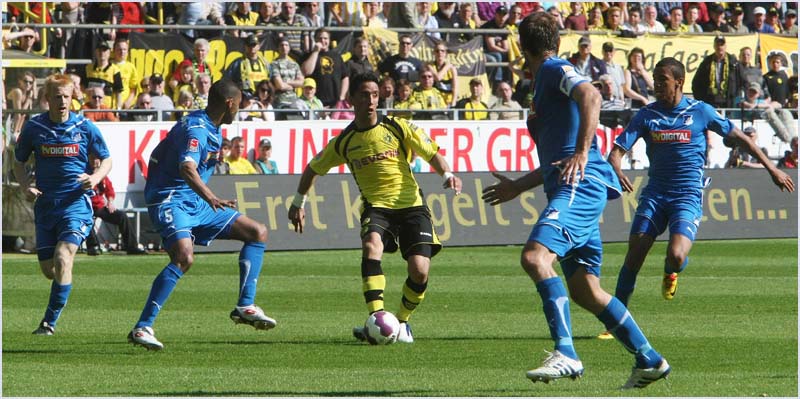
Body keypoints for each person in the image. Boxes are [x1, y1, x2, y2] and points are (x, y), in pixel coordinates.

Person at [480, 12, 670, 389]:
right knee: (585, 290)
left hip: (579, 188)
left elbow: (592, 94)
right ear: (559, 40)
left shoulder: (552, 69)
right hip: (571, 186)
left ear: (521, 46)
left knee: (535, 257)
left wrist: (583, 152)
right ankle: (649, 359)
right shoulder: (542, 83)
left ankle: (566, 352)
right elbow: (557, 158)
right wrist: (519, 186)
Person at [603, 58, 793, 341]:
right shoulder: (646, 115)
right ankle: (614, 323)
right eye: (654, 79)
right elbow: (616, 152)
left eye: (662, 80)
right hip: (655, 193)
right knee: (635, 254)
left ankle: (671, 271)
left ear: (678, 82)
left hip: (687, 194)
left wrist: (772, 168)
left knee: (677, 255)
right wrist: (616, 170)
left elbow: (742, 138)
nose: (656, 84)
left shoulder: (700, 111)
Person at [288, 71, 462, 344]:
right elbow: (312, 169)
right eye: (364, 95)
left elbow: (431, 152)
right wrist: (298, 202)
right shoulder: (345, 141)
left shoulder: (397, 126)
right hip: (376, 207)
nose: (370, 100)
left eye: (374, 94)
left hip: (411, 205)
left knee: (420, 270)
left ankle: (402, 322)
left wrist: (447, 175)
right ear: (352, 99)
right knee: (371, 245)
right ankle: (376, 319)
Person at [128, 79, 276, 351]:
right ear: (230, 103)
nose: (240, 110)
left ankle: (245, 305)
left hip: (196, 203)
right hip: (171, 200)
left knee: (257, 232)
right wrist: (211, 197)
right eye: (240, 104)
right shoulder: (196, 128)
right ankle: (142, 327)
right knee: (184, 257)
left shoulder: (214, 128)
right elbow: (187, 167)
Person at [14, 74, 112, 335]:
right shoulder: (35, 128)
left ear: (73, 97)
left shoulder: (85, 126)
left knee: (62, 256)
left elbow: (106, 159)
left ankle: (48, 322)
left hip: (75, 203)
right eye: (57, 96)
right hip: (46, 205)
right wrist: (25, 186)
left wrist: (95, 177)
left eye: (66, 96)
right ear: (48, 98)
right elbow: (18, 161)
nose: (62, 101)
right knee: (50, 270)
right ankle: (64, 274)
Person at [84, 154, 147, 255]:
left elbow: (110, 191)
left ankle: (131, 246)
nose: (96, 162)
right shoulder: (85, 174)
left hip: (99, 207)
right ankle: (93, 246)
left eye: (97, 160)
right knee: (86, 219)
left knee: (121, 216)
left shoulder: (102, 175)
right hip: (86, 207)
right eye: (93, 159)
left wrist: (110, 201)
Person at [692, 35, 739, 109]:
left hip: (728, 102)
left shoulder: (733, 62)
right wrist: (701, 101)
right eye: (717, 44)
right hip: (710, 102)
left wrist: (736, 98)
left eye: (722, 45)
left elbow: (741, 81)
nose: (720, 47)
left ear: (725, 46)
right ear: (714, 46)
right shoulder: (707, 62)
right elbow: (696, 83)